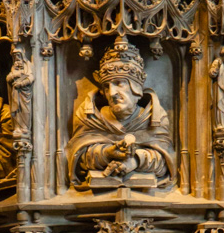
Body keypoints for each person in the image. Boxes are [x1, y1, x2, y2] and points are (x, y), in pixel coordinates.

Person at [66, 36, 175, 188]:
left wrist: (135, 161)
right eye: (106, 86)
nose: (112, 93)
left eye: (119, 83)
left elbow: (165, 160)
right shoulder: (88, 116)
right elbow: (78, 159)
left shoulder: (154, 117)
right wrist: (107, 153)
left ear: (136, 87)